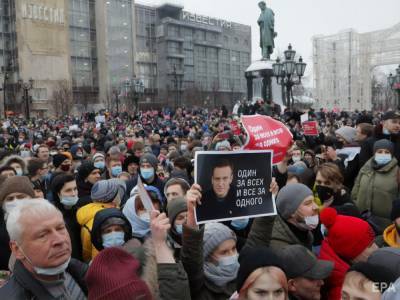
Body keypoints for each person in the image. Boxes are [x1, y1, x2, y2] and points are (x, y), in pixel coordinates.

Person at [0, 199, 88, 299]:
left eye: (60, 228)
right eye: (42, 235)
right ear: (17, 249)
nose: (59, 240)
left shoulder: (81, 270)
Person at [318, 207, 378, 300]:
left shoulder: (349, 272)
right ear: (351, 253)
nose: (376, 248)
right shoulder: (342, 292)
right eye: (369, 245)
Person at [352, 139, 399, 232]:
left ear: (392, 154)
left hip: (385, 224)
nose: (383, 154)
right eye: (380, 152)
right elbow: (356, 188)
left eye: (387, 152)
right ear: (374, 153)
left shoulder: (397, 172)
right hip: (362, 218)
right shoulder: (365, 168)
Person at [76, 179, 122, 262]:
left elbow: (86, 253)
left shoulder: (88, 213)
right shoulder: (107, 220)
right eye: (117, 193)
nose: (119, 195)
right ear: (111, 197)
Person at [0, 176, 36, 270]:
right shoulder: (2, 226)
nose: (15, 201)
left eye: (21, 197)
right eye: (10, 198)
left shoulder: (48, 220)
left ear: (31, 198)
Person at [270, 183, 318, 250]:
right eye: (308, 203)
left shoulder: (305, 233)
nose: (316, 207)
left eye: (314, 201)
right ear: (291, 212)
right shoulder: (280, 247)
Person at [51, 173, 83, 260]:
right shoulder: (52, 216)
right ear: (58, 194)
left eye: (75, 189)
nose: (73, 193)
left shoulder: (81, 211)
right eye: (68, 190)